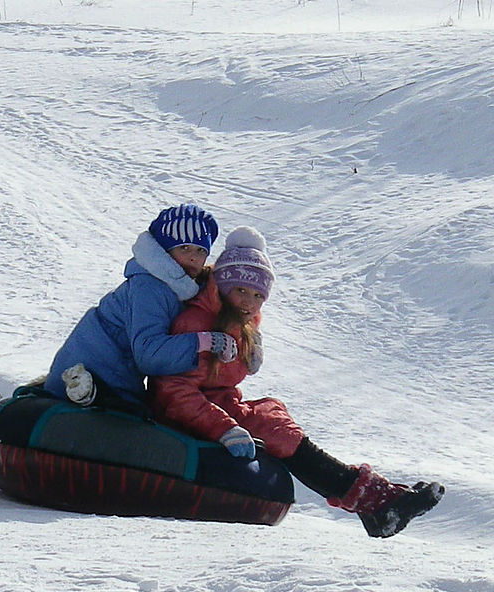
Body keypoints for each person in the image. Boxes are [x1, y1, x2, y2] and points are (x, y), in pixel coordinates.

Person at [149, 226, 444, 538]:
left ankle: (375, 503)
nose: (249, 302)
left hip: (216, 405)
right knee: (272, 427)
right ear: (222, 286)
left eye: (258, 295)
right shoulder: (197, 324)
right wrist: (224, 428)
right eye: (241, 290)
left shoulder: (236, 322)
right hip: (182, 415)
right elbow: (173, 392)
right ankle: (376, 502)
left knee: (275, 419)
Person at [44, 204, 239, 410]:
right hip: (92, 372)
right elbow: (149, 354)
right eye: (184, 248)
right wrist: (206, 341)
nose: (193, 257)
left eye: (201, 250)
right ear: (164, 251)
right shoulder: (149, 287)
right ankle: (83, 395)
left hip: (113, 376)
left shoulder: (178, 287)